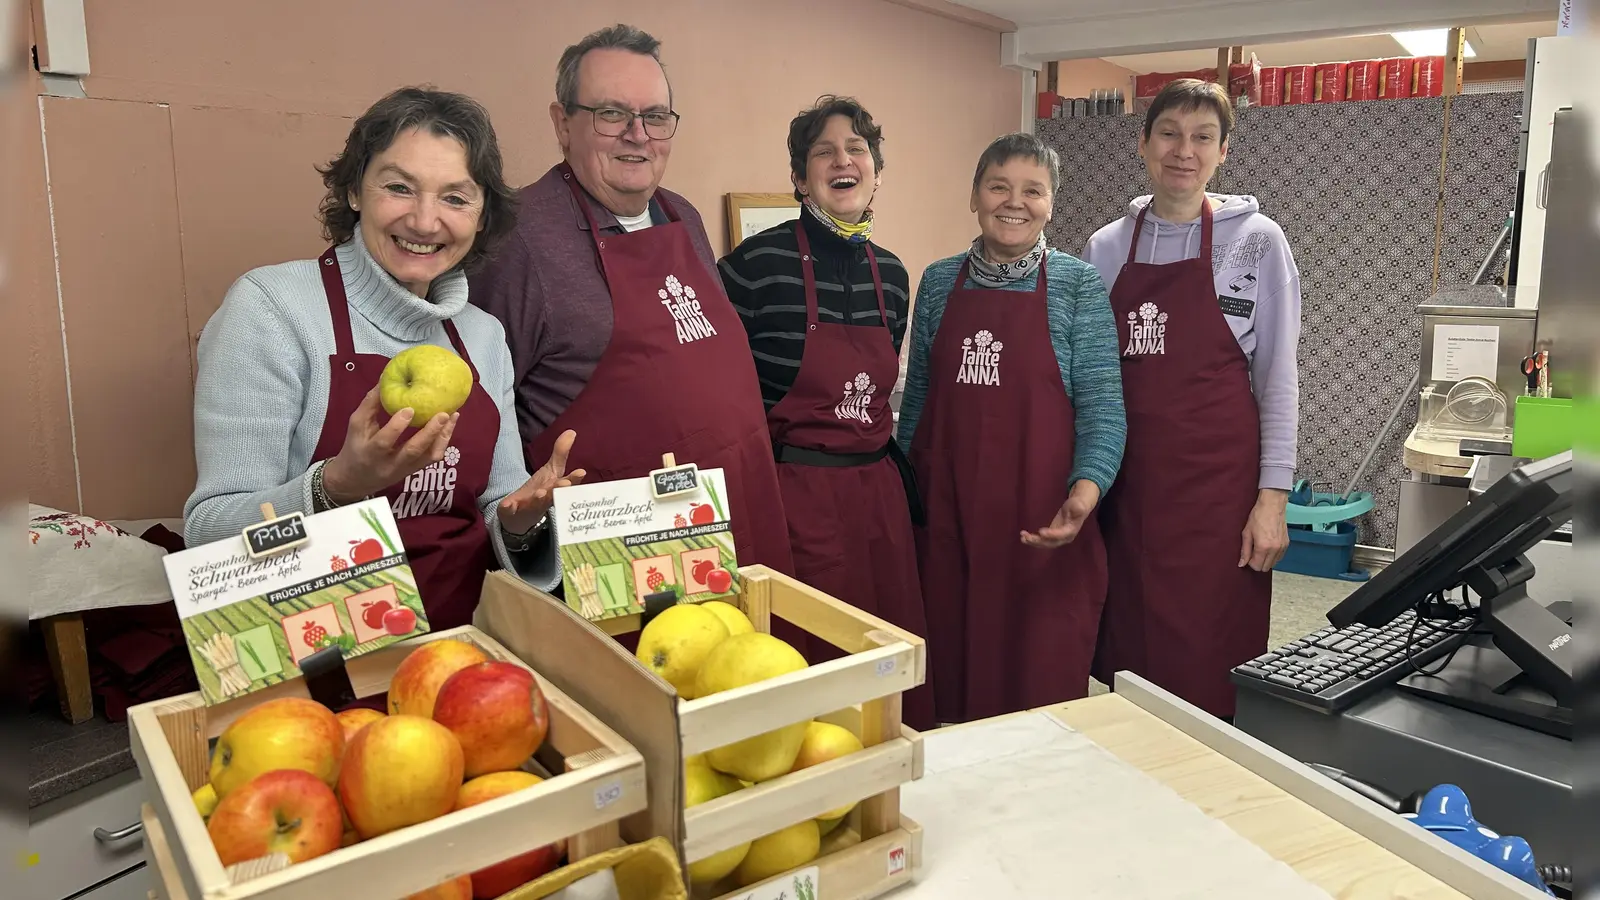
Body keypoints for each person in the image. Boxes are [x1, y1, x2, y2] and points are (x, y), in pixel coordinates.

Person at [184, 87, 583, 633]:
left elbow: (497, 510)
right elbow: (207, 534)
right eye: (399, 188)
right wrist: (337, 486)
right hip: (316, 655)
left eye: (455, 198)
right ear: (354, 190)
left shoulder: (484, 336)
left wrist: (521, 524)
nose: (424, 221)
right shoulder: (272, 308)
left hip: (466, 649)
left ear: (482, 214)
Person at [470, 24, 794, 590]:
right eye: (611, 114)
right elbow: (481, 423)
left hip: (739, 523)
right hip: (620, 567)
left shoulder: (682, 215)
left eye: (656, 116)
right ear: (561, 123)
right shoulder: (517, 238)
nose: (638, 135)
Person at [1080, 78, 1301, 721]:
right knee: (1129, 653)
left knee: (1210, 657)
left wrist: (1273, 501)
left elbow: (1277, 378)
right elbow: (1089, 379)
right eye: (1170, 133)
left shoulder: (1257, 240)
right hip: (1129, 491)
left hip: (1218, 496)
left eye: (1203, 137)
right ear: (1143, 142)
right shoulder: (1106, 246)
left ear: (1224, 151)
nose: (1185, 150)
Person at [718, 96, 933, 730]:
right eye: (824, 152)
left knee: (887, 653)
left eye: (857, 150)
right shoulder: (753, 267)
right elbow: (728, 391)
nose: (844, 161)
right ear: (799, 175)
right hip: (795, 492)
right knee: (811, 652)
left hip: (878, 494)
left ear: (876, 169)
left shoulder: (893, 275)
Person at [897, 133, 1126, 724]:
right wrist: (905, 496)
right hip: (951, 522)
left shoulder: (1077, 286)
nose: (1014, 202)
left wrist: (1083, 496)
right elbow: (919, 403)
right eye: (999, 186)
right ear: (974, 196)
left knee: (1038, 697)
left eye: (1033, 190)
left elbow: (1103, 407)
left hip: (1042, 525)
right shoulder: (940, 281)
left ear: (1052, 203)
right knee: (947, 684)